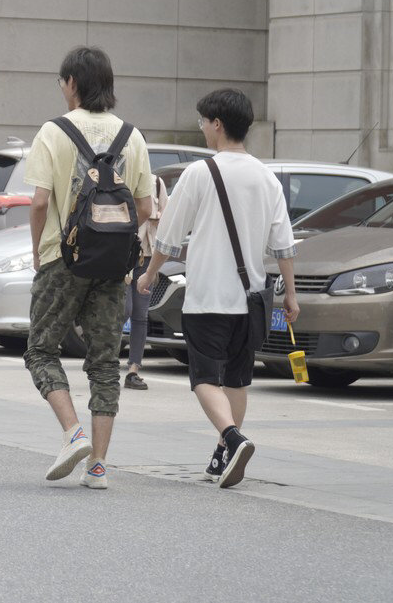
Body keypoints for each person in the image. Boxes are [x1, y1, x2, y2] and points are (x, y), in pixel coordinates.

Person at [136, 89, 299, 488]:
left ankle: (232, 437)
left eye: (203, 122)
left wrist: (150, 274)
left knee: (204, 379)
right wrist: (291, 296)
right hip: (251, 298)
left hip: (208, 297)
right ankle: (223, 456)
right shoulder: (266, 177)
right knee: (237, 380)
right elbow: (284, 244)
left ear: (218, 124)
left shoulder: (199, 173)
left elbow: (169, 236)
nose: (202, 129)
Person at [24, 47, 154, 489]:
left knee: (41, 350)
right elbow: (145, 207)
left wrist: (39, 250)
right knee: (104, 362)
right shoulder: (132, 137)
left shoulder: (53, 131)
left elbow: (39, 202)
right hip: (113, 264)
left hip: (62, 259)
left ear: (72, 83)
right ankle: (97, 466)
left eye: (62, 82)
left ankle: (73, 433)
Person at [123, 174, 168, 390]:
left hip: (147, 254)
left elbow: (167, 218)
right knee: (124, 309)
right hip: (122, 254)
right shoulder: (121, 178)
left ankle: (133, 370)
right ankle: (102, 360)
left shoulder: (156, 183)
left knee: (141, 315)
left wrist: (157, 217)